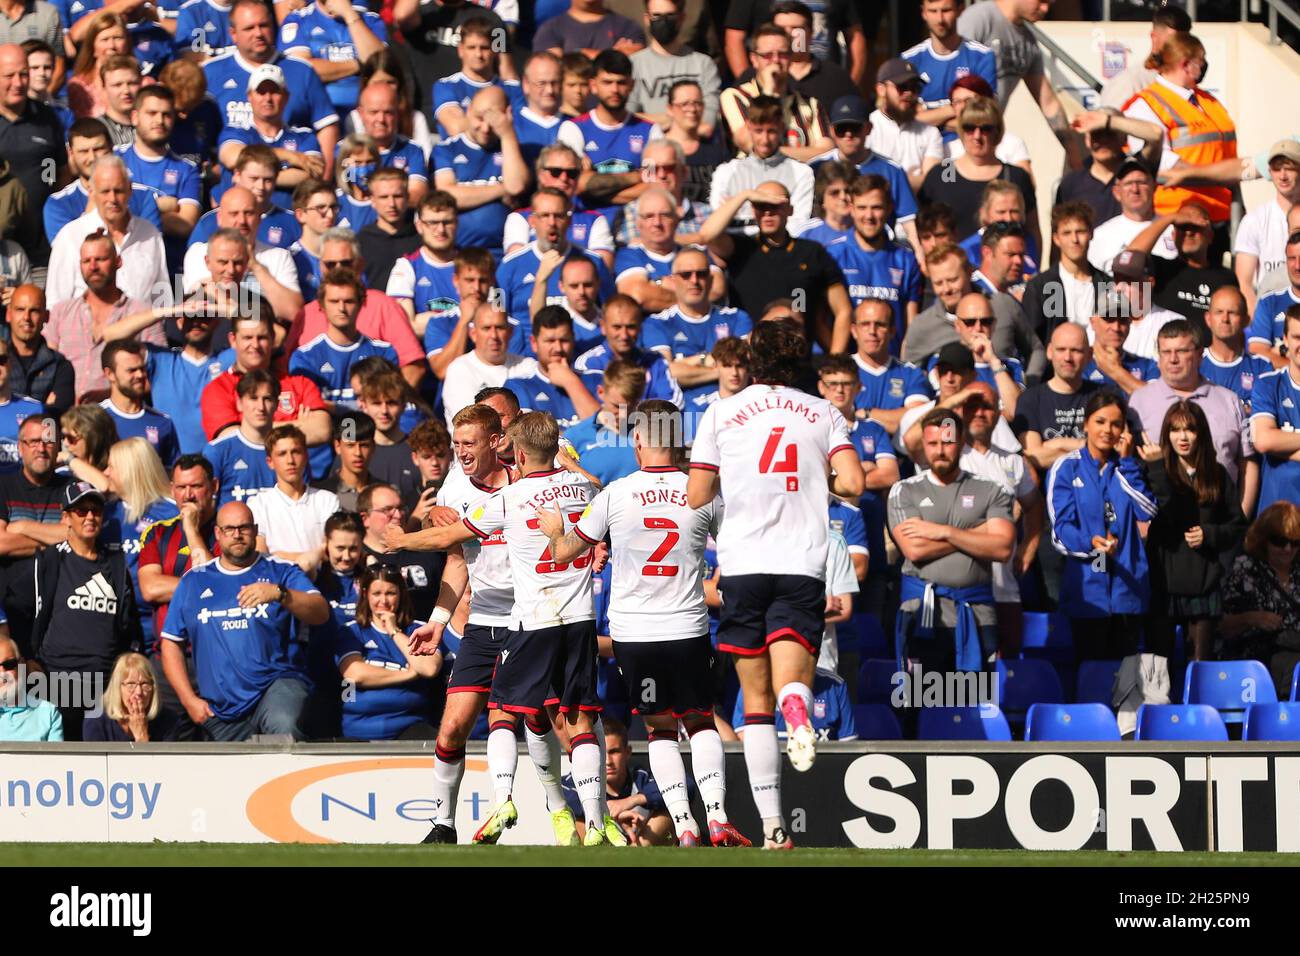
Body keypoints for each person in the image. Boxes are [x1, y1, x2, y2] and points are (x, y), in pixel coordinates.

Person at [399, 411, 619, 845]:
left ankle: (577, 811)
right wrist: (440, 620)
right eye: (456, 443)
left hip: (530, 618)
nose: (460, 452)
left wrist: (400, 539)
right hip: (487, 621)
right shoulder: (454, 490)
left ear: (501, 443)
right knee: (455, 724)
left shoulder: (515, 490)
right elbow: (458, 557)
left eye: (470, 442)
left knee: (552, 719)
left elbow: (447, 539)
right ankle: (445, 824)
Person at [539, 398, 748, 846]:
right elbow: (736, 550)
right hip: (688, 629)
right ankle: (716, 814)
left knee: (660, 729)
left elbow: (564, 552)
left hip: (634, 636)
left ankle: (684, 825)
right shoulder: (704, 492)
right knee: (701, 721)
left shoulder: (616, 493)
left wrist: (554, 527)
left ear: (636, 440)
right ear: (679, 441)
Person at [687, 321, 863, 848]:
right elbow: (853, 483)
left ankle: (774, 828)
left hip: (743, 564)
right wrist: (816, 478)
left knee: (754, 704)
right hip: (801, 562)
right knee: (790, 682)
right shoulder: (823, 411)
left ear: (752, 359)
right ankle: (799, 707)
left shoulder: (720, 412)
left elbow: (697, 494)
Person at [160, 500, 330, 741]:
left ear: (255, 530)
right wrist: (189, 700)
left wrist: (280, 594)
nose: (237, 535)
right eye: (229, 529)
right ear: (217, 534)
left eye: (244, 528)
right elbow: (170, 643)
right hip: (220, 709)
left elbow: (321, 612)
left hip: (275, 685)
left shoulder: (280, 570)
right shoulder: (194, 580)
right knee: (232, 777)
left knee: (283, 725)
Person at [888, 405, 1014, 677]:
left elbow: (1003, 548)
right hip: (923, 615)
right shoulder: (905, 490)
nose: (940, 450)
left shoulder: (991, 489)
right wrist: (978, 534)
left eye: (947, 442)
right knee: (923, 706)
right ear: (923, 444)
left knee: (976, 705)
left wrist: (944, 532)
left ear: (962, 443)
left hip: (977, 614)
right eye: (932, 443)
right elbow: (915, 549)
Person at [1045, 389, 1158, 662]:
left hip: (1128, 592)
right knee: (1090, 680)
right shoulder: (1066, 468)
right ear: (1086, 424)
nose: (1108, 430)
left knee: (1125, 683)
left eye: (1116, 423)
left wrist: (1128, 463)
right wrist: (1091, 544)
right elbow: (1061, 530)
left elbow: (1148, 510)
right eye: (1100, 421)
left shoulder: (1130, 467)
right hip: (1087, 594)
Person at [1136, 400, 1245, 663]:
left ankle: (1198, 707)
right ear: (1166, 434)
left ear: (1201, 434)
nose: (1182, 437)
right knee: (1157, 671)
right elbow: (1167, 512)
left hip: (1204, 584)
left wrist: (1210, 534)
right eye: (1175, 429)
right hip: (1163, 583)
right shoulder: (1153, 469)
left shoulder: (1216, 474)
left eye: (1190, 429)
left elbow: (1237, 526)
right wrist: (1157, 467)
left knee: (1200, 669)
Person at [31, 481, 142, 740]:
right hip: (58, 681)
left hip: (105, 685)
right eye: (81, 511)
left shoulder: (116, 565)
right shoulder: (50, 560)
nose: (90, 516)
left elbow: (128, 624)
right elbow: (35, 615)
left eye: (96, 510)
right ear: (66, 517)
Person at [703, 181, 850, 353]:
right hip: (751, 359)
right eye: (760, 205)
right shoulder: (741, 248)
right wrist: (745, 195)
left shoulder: (811, 252)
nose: (767, 212)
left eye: (775, 206)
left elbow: (843, 310)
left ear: (790, 209)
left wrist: (835, 360)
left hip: (799, 360)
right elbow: (707, 235)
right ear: (752, 210)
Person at [1123, 32, 1237, 253]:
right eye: (1201, 60)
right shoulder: (1146, 104)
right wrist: (1215, 174)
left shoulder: (1208, 101)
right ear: (1186, 63)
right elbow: (1159, 163)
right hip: (1177, 222)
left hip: (1220, 216)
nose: (1204, 66)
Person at [1127, 319, 1255, 511]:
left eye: (1181, 351)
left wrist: (1241, 519)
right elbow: (1127, 463)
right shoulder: (1138, 403)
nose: (1173, 359)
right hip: (1162, 524)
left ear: (1200, 354)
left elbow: (1248, 462)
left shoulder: (1229, 400)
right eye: (1166, 352)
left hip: (1220, 522)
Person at [958, 381, 1041, 656]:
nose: (980, 413)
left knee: (1004, 672)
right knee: (962, 671)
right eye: (973, 406)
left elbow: (1034, 505)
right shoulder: (947, 457)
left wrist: (1029, 545)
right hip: (961, 587)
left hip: (1004, 586)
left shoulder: (1012, 461)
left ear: (998, 413)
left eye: (987, 407)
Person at [203, 0, 340, 164]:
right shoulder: (211, 73)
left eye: (264, 25)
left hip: (294, 175)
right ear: (233, 33)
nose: (258, 33)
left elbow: (325, 125)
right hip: (234, 178)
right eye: (249, 28)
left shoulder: (302, 71)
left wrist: (323, 177)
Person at [956, 0, 1079, 167]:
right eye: (1041, 1)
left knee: (1021, 173)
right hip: (958, 137)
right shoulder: (978, 19)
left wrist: (1073, 153)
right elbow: (951, 77)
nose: (1045, 9)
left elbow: (1047, 102)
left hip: (989, 138)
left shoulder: (1028, 41)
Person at [901, 243, 1044, 382]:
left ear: (969, 273)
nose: (946, 289)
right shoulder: (923, 325)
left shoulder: (1003, 305)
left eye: (952, 280)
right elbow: (907, 376)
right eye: (938, 283)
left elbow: (1035, 349)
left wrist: (1030, 384)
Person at [334, 564, 444, 740]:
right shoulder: (351, 631)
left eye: (391, 593)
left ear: (401, 594)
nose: (383, 601)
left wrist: (394, 631)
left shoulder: (420, 629)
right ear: (365, 595)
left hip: (409, 725)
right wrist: (408, 674)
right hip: (358, 728)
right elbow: (355, 674)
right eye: (376, 593)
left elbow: (428, 668)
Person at [45, 156, 171, 309]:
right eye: (105, 191)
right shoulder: (70, 237)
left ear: (129, 190)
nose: (113, 199)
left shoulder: (150, 235)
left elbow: (162, 298)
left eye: (118, 190)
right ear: (91, 192)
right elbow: (55, 303)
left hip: (142, 331)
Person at [556, 48, 661, 226]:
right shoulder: (573, 129)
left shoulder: (651, 131)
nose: (614, 89)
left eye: (621, 82)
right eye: (607, 82)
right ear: (594, 85)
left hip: (637, 224)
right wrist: (634, 177)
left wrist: (597, 187)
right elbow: (578, 184)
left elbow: (655, 184)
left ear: (632, 85)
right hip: (586, 222)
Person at [825, 174, 922, 356]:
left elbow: (911, 325)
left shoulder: (906, 260)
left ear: (889, 209)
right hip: (846, 367)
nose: (868, 216)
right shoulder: (832, 255)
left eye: (876, 208)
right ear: (851, 209)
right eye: (862, 208)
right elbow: (820, 318)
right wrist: (835, 360)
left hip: (891, 365)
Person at [917, 95, 1035, 241]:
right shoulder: (942, 174)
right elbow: (922, 230)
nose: (977, 136)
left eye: (985, 129)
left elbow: (1032, 231)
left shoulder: (1015, 176)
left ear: (997, 132)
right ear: (961, 130)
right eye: (969, 128)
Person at [432, 86, 529, 259]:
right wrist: (501, 189)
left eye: (493, 121)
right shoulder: (446, 149)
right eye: (479, 118)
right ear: (468, 111)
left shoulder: (510, 148)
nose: (485, 128)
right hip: (458, 252)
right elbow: (447, 195)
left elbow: (516, 187)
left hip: (503, 252)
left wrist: (506, 133)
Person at [216, 64, 325, 214]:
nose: (268, 98)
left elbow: (314, 173)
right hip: (240, 217)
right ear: (250, 96)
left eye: (274, 92)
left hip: (289, 221)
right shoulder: (236, 131)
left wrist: (251, 177)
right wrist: (290, 156)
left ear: (286, 96)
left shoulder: (304, 136)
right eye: (261, 92)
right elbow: (232, 157)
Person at [1221, 503, 1300, 699]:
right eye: (1280, 541)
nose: (1288, 549)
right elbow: (1221, 626)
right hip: (1256, 659)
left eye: (1295, 542)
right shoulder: (1246, 569)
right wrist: (1251, 619)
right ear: (1264, 540)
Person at [0, 42, 67, 269]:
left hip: (41, 253)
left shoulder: (46, 119)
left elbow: (57, 173)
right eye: (9, 76)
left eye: (23, 74)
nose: (18, 83)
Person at [718, 23, 827, 163]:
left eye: (782, 54)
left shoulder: (810, 103)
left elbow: (825, 153)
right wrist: (769, 92)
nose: (775, 61)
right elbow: (748, 143)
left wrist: (773, 153)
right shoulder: (735, 96)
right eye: (767, 55)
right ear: (754, 59)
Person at [1125, 201, 1237, 337]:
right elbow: (1129, 257)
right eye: (1182, 227)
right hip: (1167, 353)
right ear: (1173, 236)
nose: (1189, 232)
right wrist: (1170, 218)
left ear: (1210, 236)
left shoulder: (1226, 278)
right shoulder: (1161, 268)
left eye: (1196, 227)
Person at [248, 424, 340, 575]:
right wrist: (307, 559)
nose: (290, 460)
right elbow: (261, 557)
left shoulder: (327, 501)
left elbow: (331, 551)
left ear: (306, 456)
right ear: (270, 462)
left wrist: (279, 555)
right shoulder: (258, 504)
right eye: (282, 454)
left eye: (295, 452)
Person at [1013, 322, 1105, 473]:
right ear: (1049, 351)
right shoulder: (1030, 399)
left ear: (1089, 354)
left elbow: (1114, 447)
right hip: (1048, 493)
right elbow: (1033, 455)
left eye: (1076, 350)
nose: (1067, 357)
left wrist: (1057, 443)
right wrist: (1087, 448)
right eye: (1061, 349)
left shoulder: (1103, 396)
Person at [277, 0, 387, 118]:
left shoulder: (370, 21)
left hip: (366, 116)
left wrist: (349, 14)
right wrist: (359, 64)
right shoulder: (297, 21)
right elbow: (302, 72)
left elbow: (380, 66)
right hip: (319, 117)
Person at [1057, 107, 1163, 225]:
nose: (1102, 140)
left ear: (1124, 138)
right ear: (1087, 140)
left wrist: (1107, 121)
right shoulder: (1072, 183)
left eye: (1109, 133)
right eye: (1096, 134)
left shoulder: (1137, 169)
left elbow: (1156, 135)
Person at [1020, 202, 1109, 343]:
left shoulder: (1108, 285)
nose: (1074, 240)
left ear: (1091, 233)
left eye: (1080, 231)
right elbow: (1032, 340)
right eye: (1067, 233)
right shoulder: (1039, 287)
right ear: (1056, 238)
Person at [628, 0, 719, 136]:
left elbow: (707, 126)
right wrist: (681, 123)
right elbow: (626, 120)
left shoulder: (704, 65)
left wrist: (667, 121)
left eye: (670, 16)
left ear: (682, 18)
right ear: (647, 19)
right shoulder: (633, 65)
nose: (663, 21)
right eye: (656, 16)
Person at [440, 302, 536, 427]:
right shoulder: (459, 369)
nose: (494, 336)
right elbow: (471, 424)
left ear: (510, 332)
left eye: (500, 327)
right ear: (473, 334)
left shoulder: (528, 367)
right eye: (486, 328)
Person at [905, 0, 995, 133]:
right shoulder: (909, 60)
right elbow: (906, 119)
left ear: (961, 9)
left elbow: (985, 118)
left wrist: (929, 117)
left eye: (946, 10)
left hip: (966, 145)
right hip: (921, 145)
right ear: (923, 13)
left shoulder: (982, 56)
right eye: (933, 11)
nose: (940, 19)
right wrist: (959, 107)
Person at [1233, 141, 1300, 316]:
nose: (1283, 175)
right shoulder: (1254, 220)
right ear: (1269, 172)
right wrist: (1260, 322)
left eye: (1289, 168)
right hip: (1270, 315)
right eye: (1277, 169)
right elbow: (1244, 282)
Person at [849, 297, 931, 436]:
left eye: (880, 324)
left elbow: (917, 419)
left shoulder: (911, 373)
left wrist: (867, 414)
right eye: (865, 324)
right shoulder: (839, 372)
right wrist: (895, 417)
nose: (872, 331)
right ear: (854, 330)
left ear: (892, 331)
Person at [97, 339, 180, 469]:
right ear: (110, 374)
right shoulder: (94, 419)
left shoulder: (163, 422)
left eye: (142, 368)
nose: (140, 375)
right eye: (132, 370)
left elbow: (171, 473)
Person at [1087, 156, 1176, 276]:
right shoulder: (1099, 236)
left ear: (1154, 187)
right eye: (1128, 183)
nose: (1135, 189)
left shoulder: (1174, 229)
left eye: (1141, 182)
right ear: (1116, 192)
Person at [560, 360, 644, 486]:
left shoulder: (651, 435)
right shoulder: (574, 437)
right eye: (616, 406)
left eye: (630, 407)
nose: (623, 415)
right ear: (600, 392)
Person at [868, 57, 943, 196]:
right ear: (881, 89)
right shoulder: (866, 129)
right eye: (901, 86)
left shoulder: (930, 132)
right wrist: (912, 179)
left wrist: (886, 180)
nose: (909, 93)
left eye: (915, 88)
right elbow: (863, 181)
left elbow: (932, 182)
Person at [1098, 4, 1193, 111]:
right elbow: (1107, 124)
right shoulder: (1129, 82)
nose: (1178, 46)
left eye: (1184, 41)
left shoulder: (1187, 85)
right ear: (1154, 37)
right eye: (1172, 40)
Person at [4, 286, 75, 415]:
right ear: (8, 314)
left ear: (46, 316)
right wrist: (43, 408)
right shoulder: (2, 362)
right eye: (20, 309)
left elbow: (56, 419)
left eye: (34, 311)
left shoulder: (60, 366)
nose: (26, 317)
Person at [1200, 286, 1272, 413]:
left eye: (1232, 312)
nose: (1225, 319)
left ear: (1246, 320)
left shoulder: (1261, 366)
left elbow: (1267, 411)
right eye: (1219, 312)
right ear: (1208, 319)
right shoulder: (1195, 363)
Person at [82, 651, 180, 741]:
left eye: (145, 684)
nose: (138, 692)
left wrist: (141, 737)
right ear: (118, 687)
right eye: (131, 684)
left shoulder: (169, 720)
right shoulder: (96, 722)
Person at [1248, 229, 1300, 369]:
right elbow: (1258, 351)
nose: (1297, 266)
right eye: (1292, 258)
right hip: (1280, 388)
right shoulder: (1269, 302)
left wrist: (1279, 352)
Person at [0, 633, 62, 740]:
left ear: (22, 664)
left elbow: (56, 757)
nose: (2, 673)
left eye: (9, 664)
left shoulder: (48, 713)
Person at [535, 0, 644, 56]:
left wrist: (572, 55)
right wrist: (613, 55)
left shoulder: (628, 27)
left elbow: (638, 59)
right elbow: (550, 67)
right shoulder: (550, 30)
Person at [0, 336, 43, 474]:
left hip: (24, 492)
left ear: (10, 363)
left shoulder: (37, 409)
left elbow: (51, 454)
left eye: (1, 360)